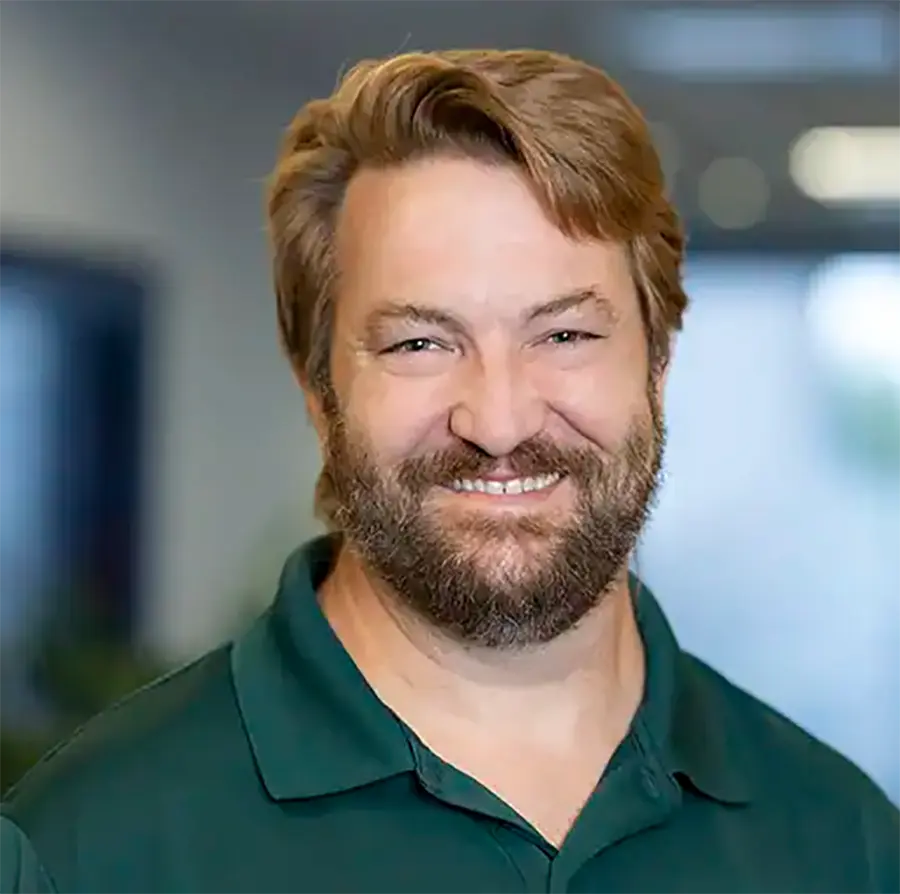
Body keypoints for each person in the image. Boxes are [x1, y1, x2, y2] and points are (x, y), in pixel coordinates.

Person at [1, 48, 898, 893]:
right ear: (317, 387)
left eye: (565, 334)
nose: (499, 423)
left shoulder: (842, 841)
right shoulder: (86, 849)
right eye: (421, 343)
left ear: (657, 365)